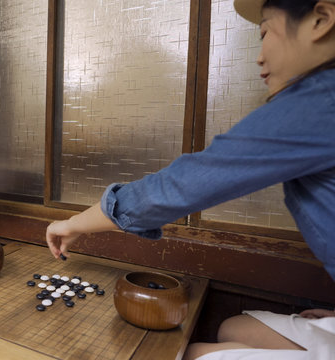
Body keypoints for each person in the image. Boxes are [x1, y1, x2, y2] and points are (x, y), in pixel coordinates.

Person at [45, 0, 335, 359]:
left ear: (322, 20)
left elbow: (181, 186)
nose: (259, 57)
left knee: (195, 354)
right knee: (233, 327)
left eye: (265, 34)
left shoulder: (320, 100)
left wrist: (75, 223)